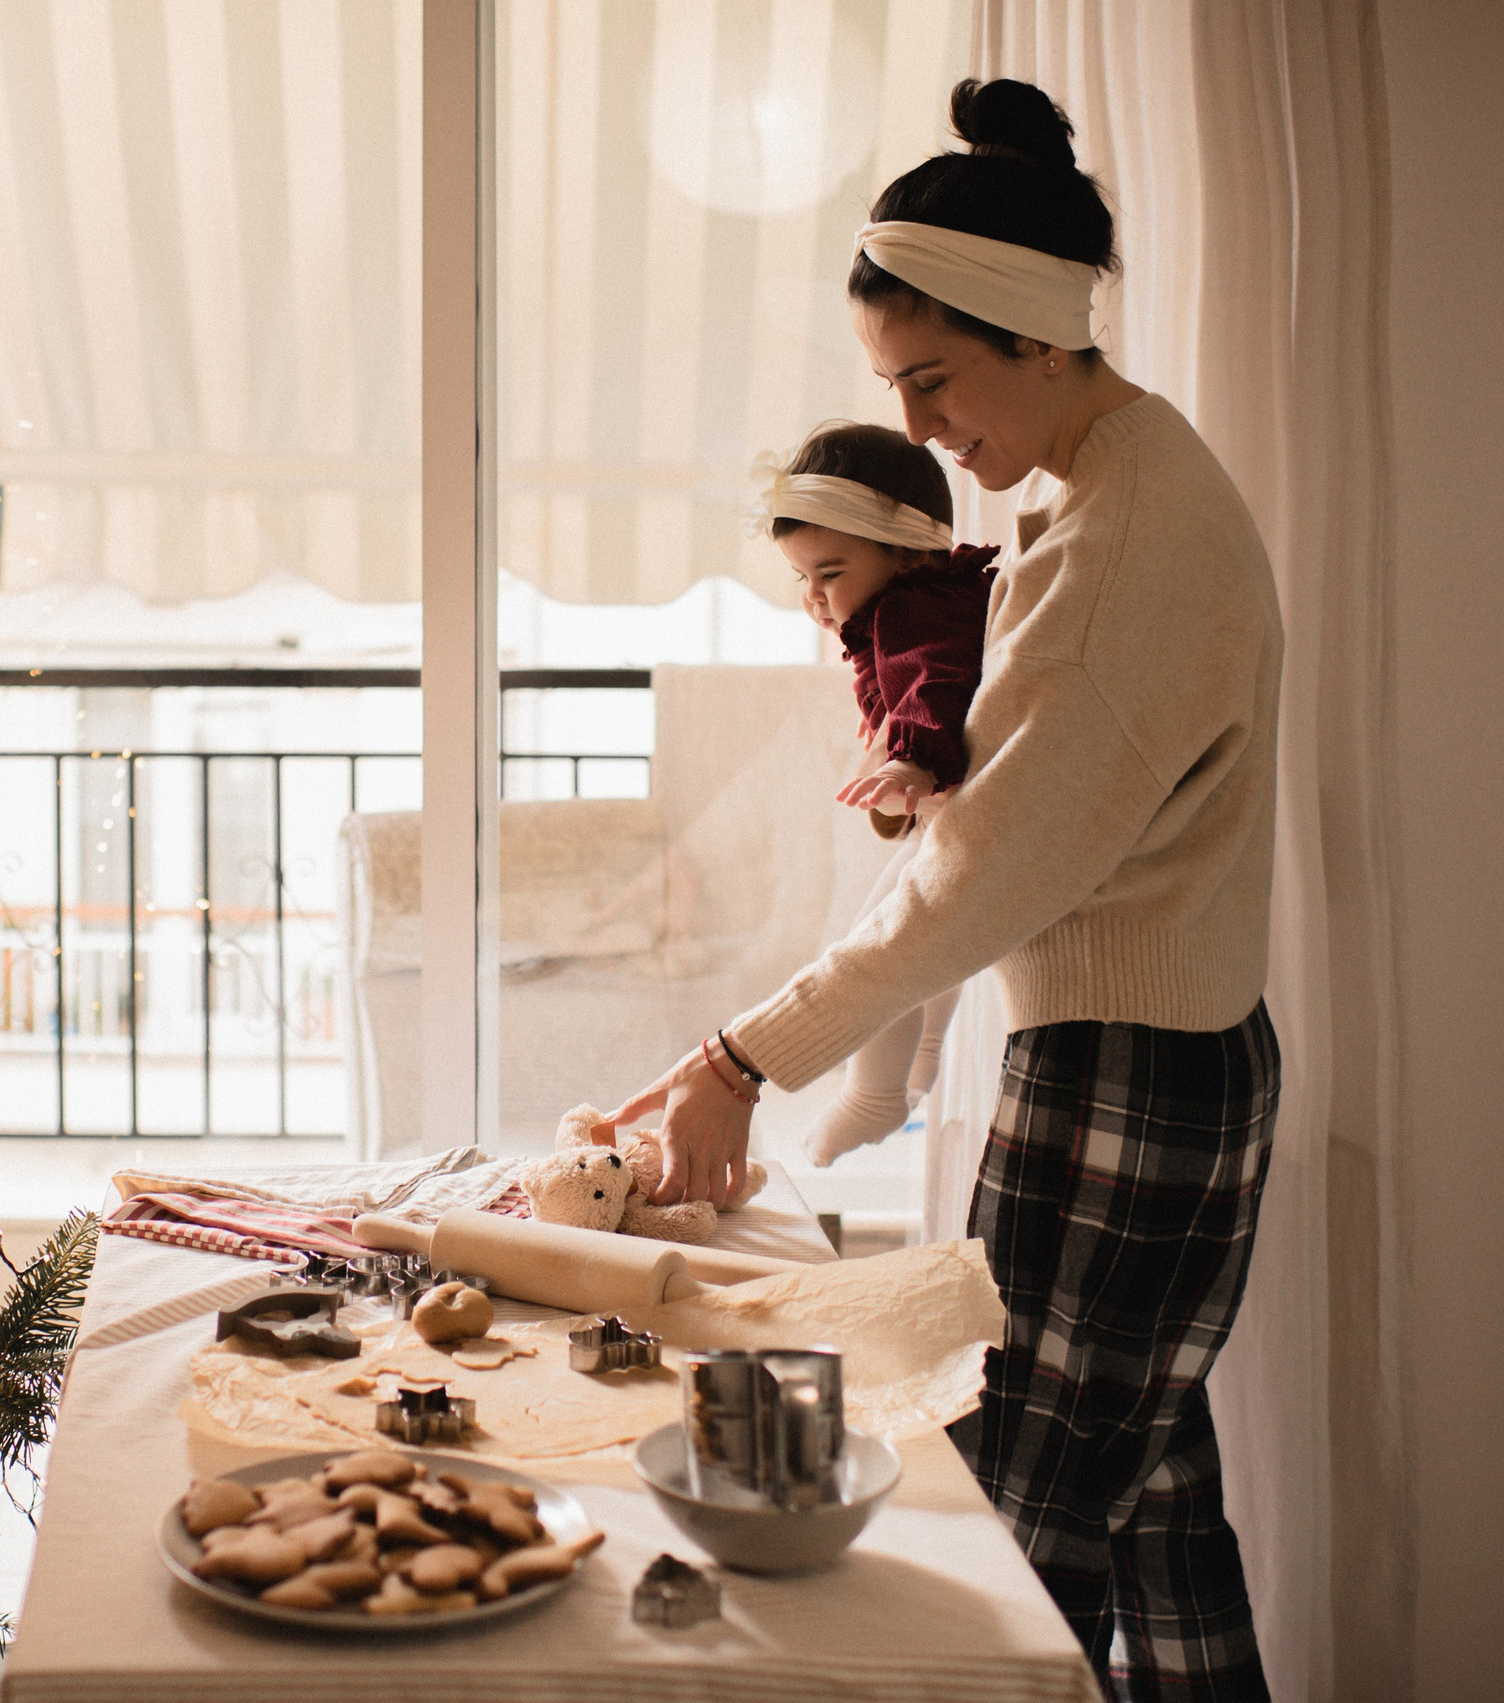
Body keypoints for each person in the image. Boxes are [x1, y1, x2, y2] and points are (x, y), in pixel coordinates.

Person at [611, 78, 1282, 1702]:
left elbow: (988, 879)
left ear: (1037, 334)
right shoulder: (1090, 491)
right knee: (1151, 1514)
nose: (916, 429)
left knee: (1023, 1548)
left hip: (1127, 1081)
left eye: (932, 380)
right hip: (1152, 1062)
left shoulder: (1122, 529)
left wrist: (739, 1055)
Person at [752, 421, 999, 1166]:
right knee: (933, 967)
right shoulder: (913, 600)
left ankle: (874, 1093)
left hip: (954, 805)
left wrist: (912, 762)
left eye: (830, 571)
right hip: (965, 812)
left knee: (881, 946)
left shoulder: (914, 608)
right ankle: (909, 1082)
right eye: (802, 578)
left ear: (909, 550)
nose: (815, 597)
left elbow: (937, 677)